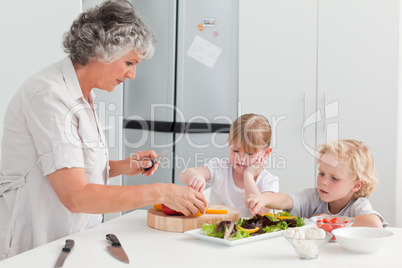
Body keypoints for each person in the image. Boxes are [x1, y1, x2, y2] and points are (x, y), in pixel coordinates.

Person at [0, 0, 206, 260]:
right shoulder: (49, 97)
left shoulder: (82, 95)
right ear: (103, 51)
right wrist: (162, 191)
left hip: (75, 242)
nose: (132, 75)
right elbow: (76, 195)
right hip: (38, 249)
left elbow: (71, 167)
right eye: (130, 62)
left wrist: (122, 166)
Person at [246, 139, 387, 228]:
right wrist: (264, 199)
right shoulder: (313, 197)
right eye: (321, 174)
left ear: (356, 185)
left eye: (334, 178)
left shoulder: (358, 206)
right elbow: (286, 200)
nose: (324, 182)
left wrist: (330, 219)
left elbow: (374, 223)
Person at [179, 113, 279, 217]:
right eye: (235, 151)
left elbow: (260, 211)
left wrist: (248, 175)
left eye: (249, 154)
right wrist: (196, 176)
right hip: (216, 229)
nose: (240, 158)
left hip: (250, 232)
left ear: (266, 153)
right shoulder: (219, 167)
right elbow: (183, 173)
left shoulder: (268, 181)